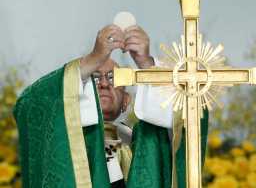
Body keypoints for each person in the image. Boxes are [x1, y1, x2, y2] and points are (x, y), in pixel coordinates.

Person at [13, 24, 209, 188]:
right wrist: (92, 60)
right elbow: (29, 105)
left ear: (126, 101)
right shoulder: (65, 136)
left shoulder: (148, 142)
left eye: (113, 79)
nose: (104, 84)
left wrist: (147, 65)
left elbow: (190, 114)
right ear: (82, 92)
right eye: (95, 78)